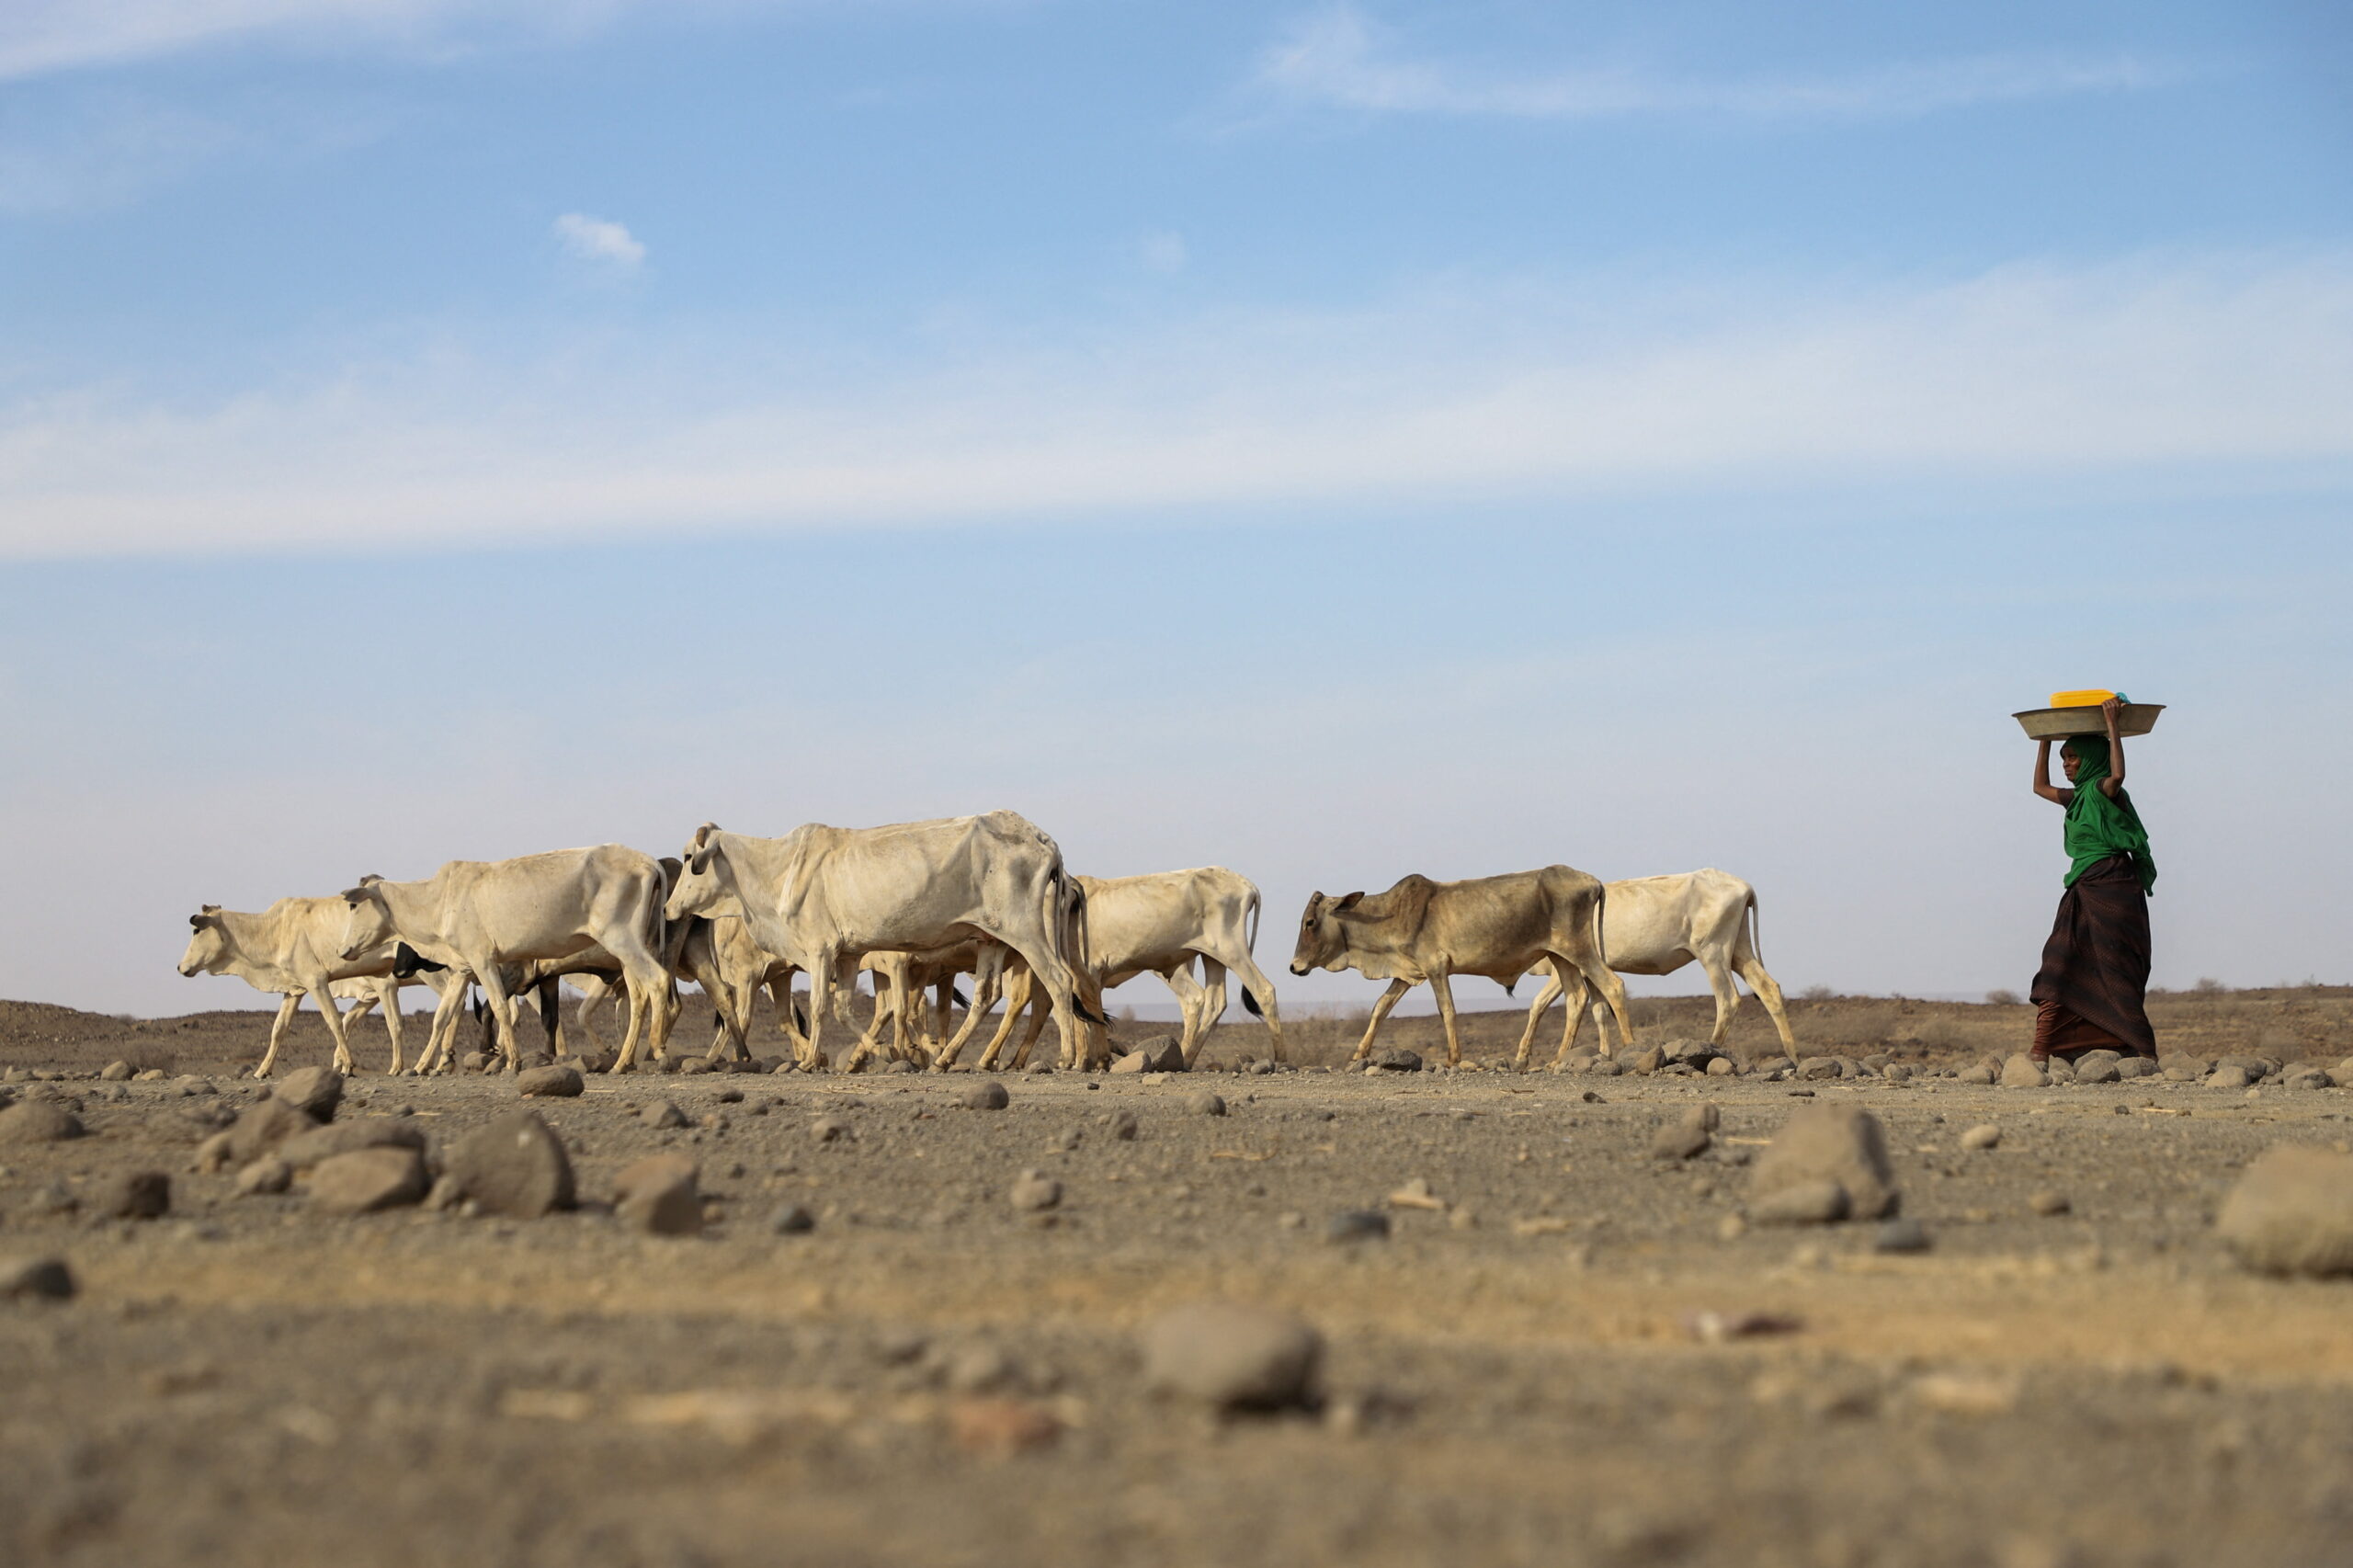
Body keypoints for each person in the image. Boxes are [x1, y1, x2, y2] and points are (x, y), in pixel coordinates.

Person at [2027, 695, 2156, 1061]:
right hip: (2082, 886)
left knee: (2116, 966)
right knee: (2059, 959)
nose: (2066, 765)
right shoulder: (2077, 797)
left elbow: (2117, 774)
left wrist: (2112, 725)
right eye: (2064, 758)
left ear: (2091, 759)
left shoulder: (2103, 790)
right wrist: (2045, 741)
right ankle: (2044, 1048)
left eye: (2072, 757)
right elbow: (2039, 787)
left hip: (2115, 887)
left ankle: (2135, 1049)